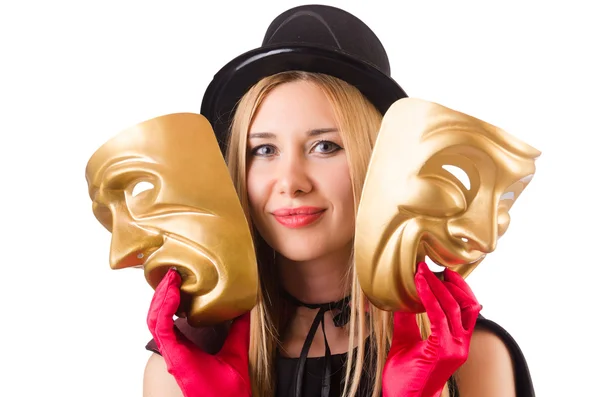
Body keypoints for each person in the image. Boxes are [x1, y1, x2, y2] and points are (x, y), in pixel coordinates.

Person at [142, 5, 535, 397]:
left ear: (378, 161)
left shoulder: (474, 356)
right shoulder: (182, 368)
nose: (291, 182)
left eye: (324, 146)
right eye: (262, 150)